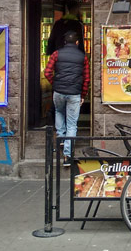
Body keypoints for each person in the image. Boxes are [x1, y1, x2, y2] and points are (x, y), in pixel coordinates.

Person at [44, 30, 90, 166]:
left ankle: (61, 139)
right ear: (77, 42)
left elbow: (47, 72)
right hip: (74, 93)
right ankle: (67, 156)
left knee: (59, 112)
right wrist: (83, 95)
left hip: (58, 92)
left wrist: (55, 83)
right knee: (72, 124)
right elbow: (86, 79)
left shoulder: (56, 54)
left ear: (65, 42)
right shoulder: (83, 57)